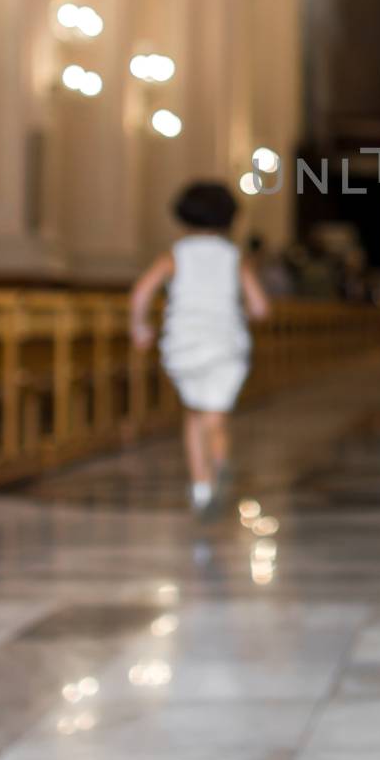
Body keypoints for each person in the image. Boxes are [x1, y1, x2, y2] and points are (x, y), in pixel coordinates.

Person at [130, 181, 270, 514]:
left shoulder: (174, 255)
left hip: (184, 343)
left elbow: (141, 292)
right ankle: (220, 462)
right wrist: (247, 312)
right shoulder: (236, 258)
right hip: (224, 342)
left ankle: (201, 487)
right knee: (215, 414)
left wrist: (139, 326)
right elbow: (261, 308)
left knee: (193, 411)